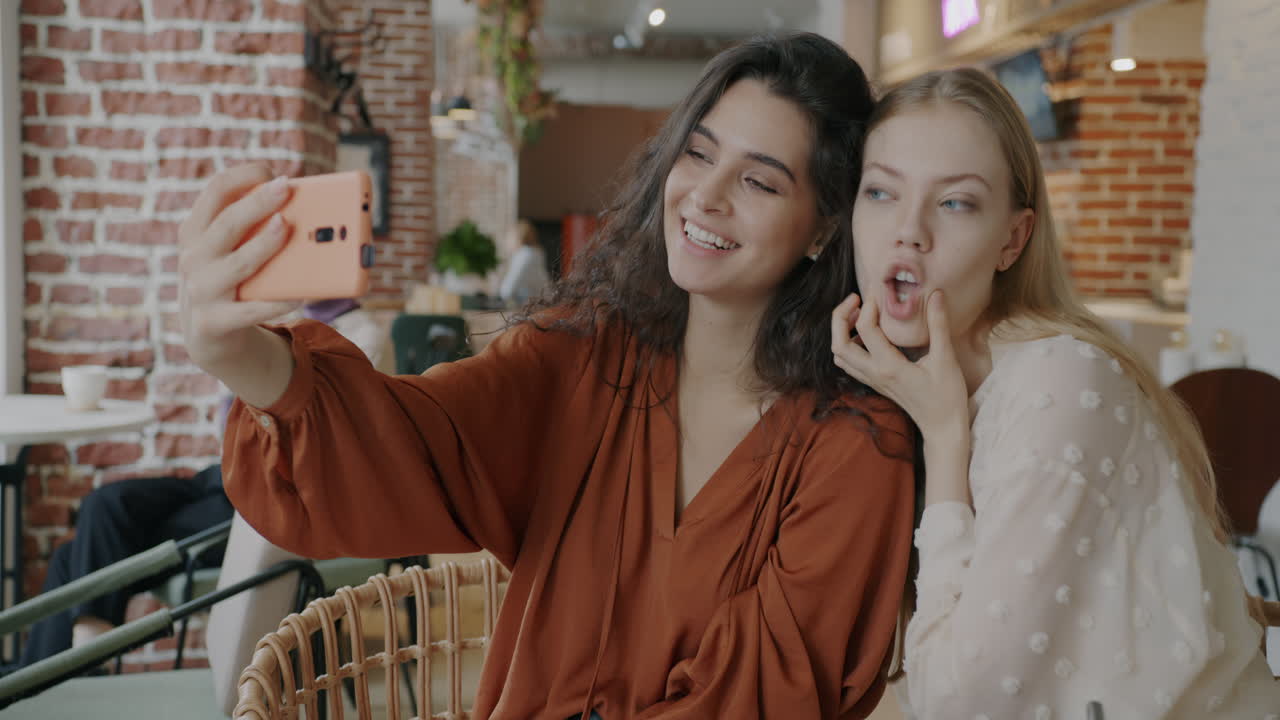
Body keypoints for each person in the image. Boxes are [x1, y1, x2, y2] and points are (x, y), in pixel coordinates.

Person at [181, 33, 917, 720]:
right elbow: (415, 445)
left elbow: (760, 698)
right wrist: (247, 359)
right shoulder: (587, 358)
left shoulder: (856, 449)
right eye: (697, 153)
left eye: (759, 182)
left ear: (824, 227)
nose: (706, 195)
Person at [830, 68, 1280, 718]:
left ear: (1013, 240)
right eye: (880, 192)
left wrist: (945, 437)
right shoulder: (898, 378)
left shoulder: (1060, 382)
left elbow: (958, 702)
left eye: (954, 202)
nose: (909, 231)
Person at [14, 298, 383, 671]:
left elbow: (322, 435)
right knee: (104, 504)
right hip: (223, 475)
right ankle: (65, 670)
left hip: (273, 496)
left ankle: (66, 674)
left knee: (76, 557)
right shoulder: (284, 319)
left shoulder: (361, 335)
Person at [498, 219, 552, 305]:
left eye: (509, 237)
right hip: (543, 305)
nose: (506, 241)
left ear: (518, 238)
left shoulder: (524, 255)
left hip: (536, 309)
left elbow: (507, 290)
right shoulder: (534, 254)